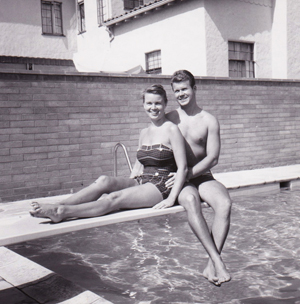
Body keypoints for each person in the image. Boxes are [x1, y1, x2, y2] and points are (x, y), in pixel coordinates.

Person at [30, 84, 188, 222]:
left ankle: (60, 212)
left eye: (158, 103)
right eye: (149, 103)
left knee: (115, 198)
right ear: (143, 105)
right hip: (143, 180)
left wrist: (172, 199)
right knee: (104, 181)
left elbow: (183, 167)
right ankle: (60, 205)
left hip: (160, 186)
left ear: (165, 104)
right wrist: (129, 185)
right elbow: (139, 164)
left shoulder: (172, 129)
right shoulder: (144, 132)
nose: (153, 107)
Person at [165, 70, 232, 286]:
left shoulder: (209, 120)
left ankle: (212, 263)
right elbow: (153, 140)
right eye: (176, 91)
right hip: (178, 179)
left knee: (224, 203)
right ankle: (217, 262)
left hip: (200, 174)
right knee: (193, 202)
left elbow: (213, 158)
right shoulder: (170, 118)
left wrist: (186, 175)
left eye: (184, 89)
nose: (181, 94)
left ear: (194, 89)